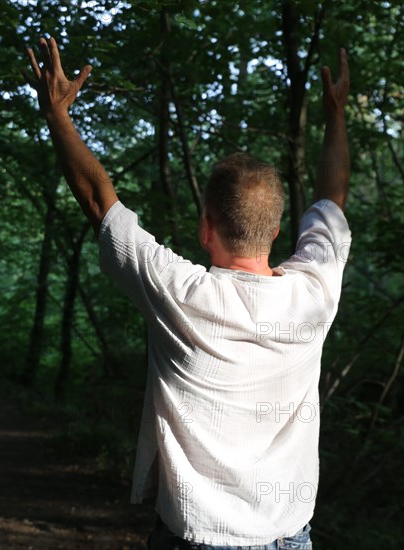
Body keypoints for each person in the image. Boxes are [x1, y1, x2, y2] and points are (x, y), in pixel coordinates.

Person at [23, 39, 351, 549]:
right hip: (289, 539)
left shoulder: (181, 292)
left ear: (205, 228)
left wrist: (58, 114)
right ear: (277, 227)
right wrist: (335, 115)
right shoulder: (314, 292)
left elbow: (97, 200)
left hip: (195, 538)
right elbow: (333, 198)